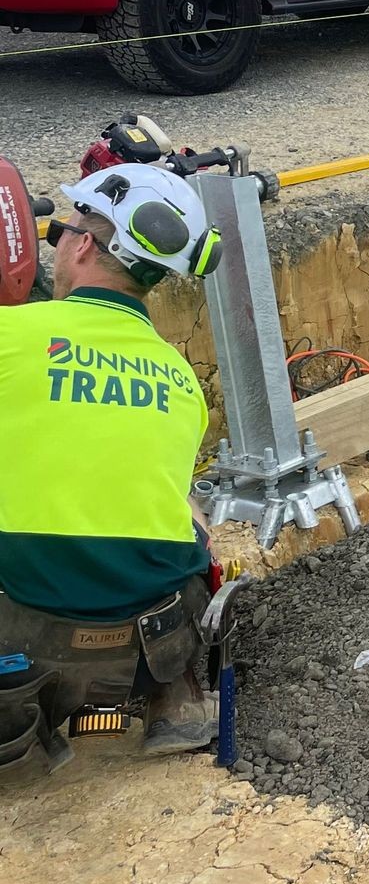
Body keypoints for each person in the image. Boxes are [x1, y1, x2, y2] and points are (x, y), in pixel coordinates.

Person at [0, 163, 223, 774]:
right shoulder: (180, 378)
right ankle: (173, 697)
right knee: (185, 507)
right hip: (150, 640)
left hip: (23, 637)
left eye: (65, 228)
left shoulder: (10, 335)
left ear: (82, 243)